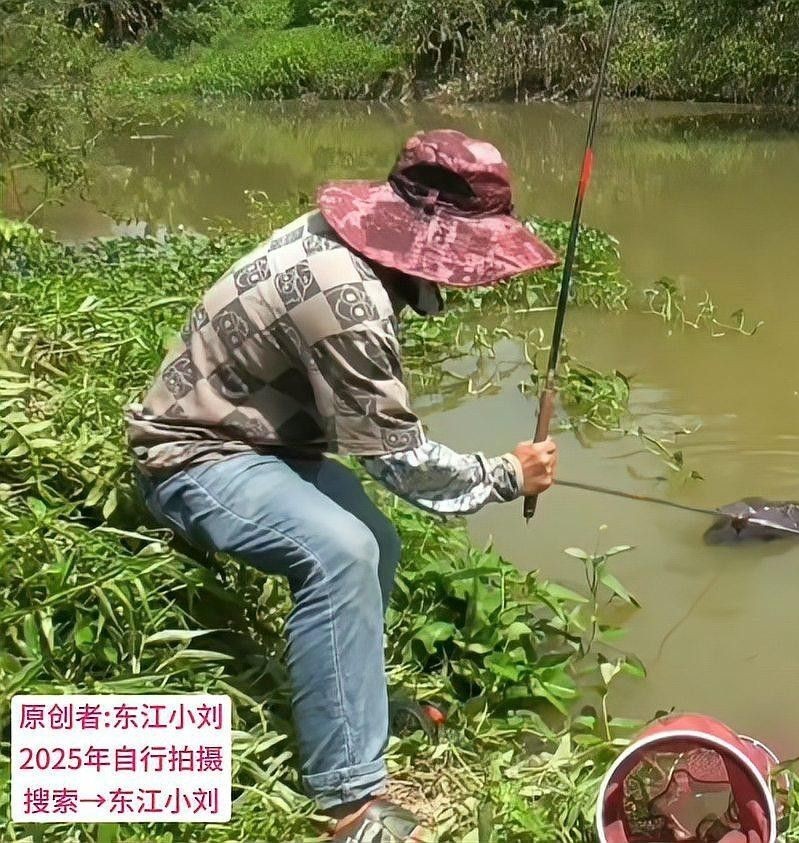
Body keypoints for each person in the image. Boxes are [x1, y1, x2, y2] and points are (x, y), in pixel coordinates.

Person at [127, 129, 561, 842]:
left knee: (377, 543)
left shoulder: (335, 240)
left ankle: (352, 707)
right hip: (191, 457)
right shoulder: (347, 297)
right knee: (342, 555)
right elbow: (399, 461)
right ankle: (349, 805)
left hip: (264, 443)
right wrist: (507, 475)